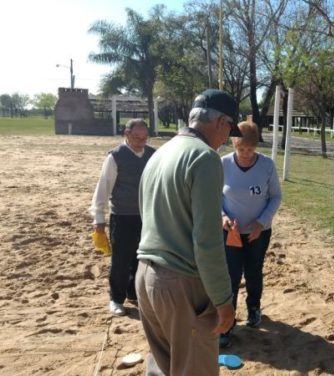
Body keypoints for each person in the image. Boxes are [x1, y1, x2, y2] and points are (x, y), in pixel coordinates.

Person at [135, 89, 241, 376]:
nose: (228, 137)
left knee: (162, 366)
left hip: (146, 276)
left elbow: (145, 212)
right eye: (230, 127)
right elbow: (206, 241)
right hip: (180, 283)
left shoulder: (160, 153)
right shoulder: (205, 158)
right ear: (221, 122)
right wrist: (224, 300)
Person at [219, 120, 282, 348]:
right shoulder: (223, 163)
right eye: (240, 148)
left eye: (250, 149)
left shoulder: (267, 165)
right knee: (231, 276)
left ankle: (254, 308)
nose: (245, 154)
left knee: (254, 271)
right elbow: (214, 196)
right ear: (234, 144)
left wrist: (261, 222)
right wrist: (223, 217)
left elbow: (276, 196)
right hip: (231, 233)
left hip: (258, 232)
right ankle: (227, 323)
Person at [89, 119, 155, 316]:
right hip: (122, 215)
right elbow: (103, 188)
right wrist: (98, 218)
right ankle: (116, 299)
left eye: (144, 138)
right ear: (126, 134)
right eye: (136, 137)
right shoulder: (115, 157)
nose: (141, 141)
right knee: (121, 260)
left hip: (147, 216)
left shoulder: (153, 155)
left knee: (142, 258)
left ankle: (134, 294)